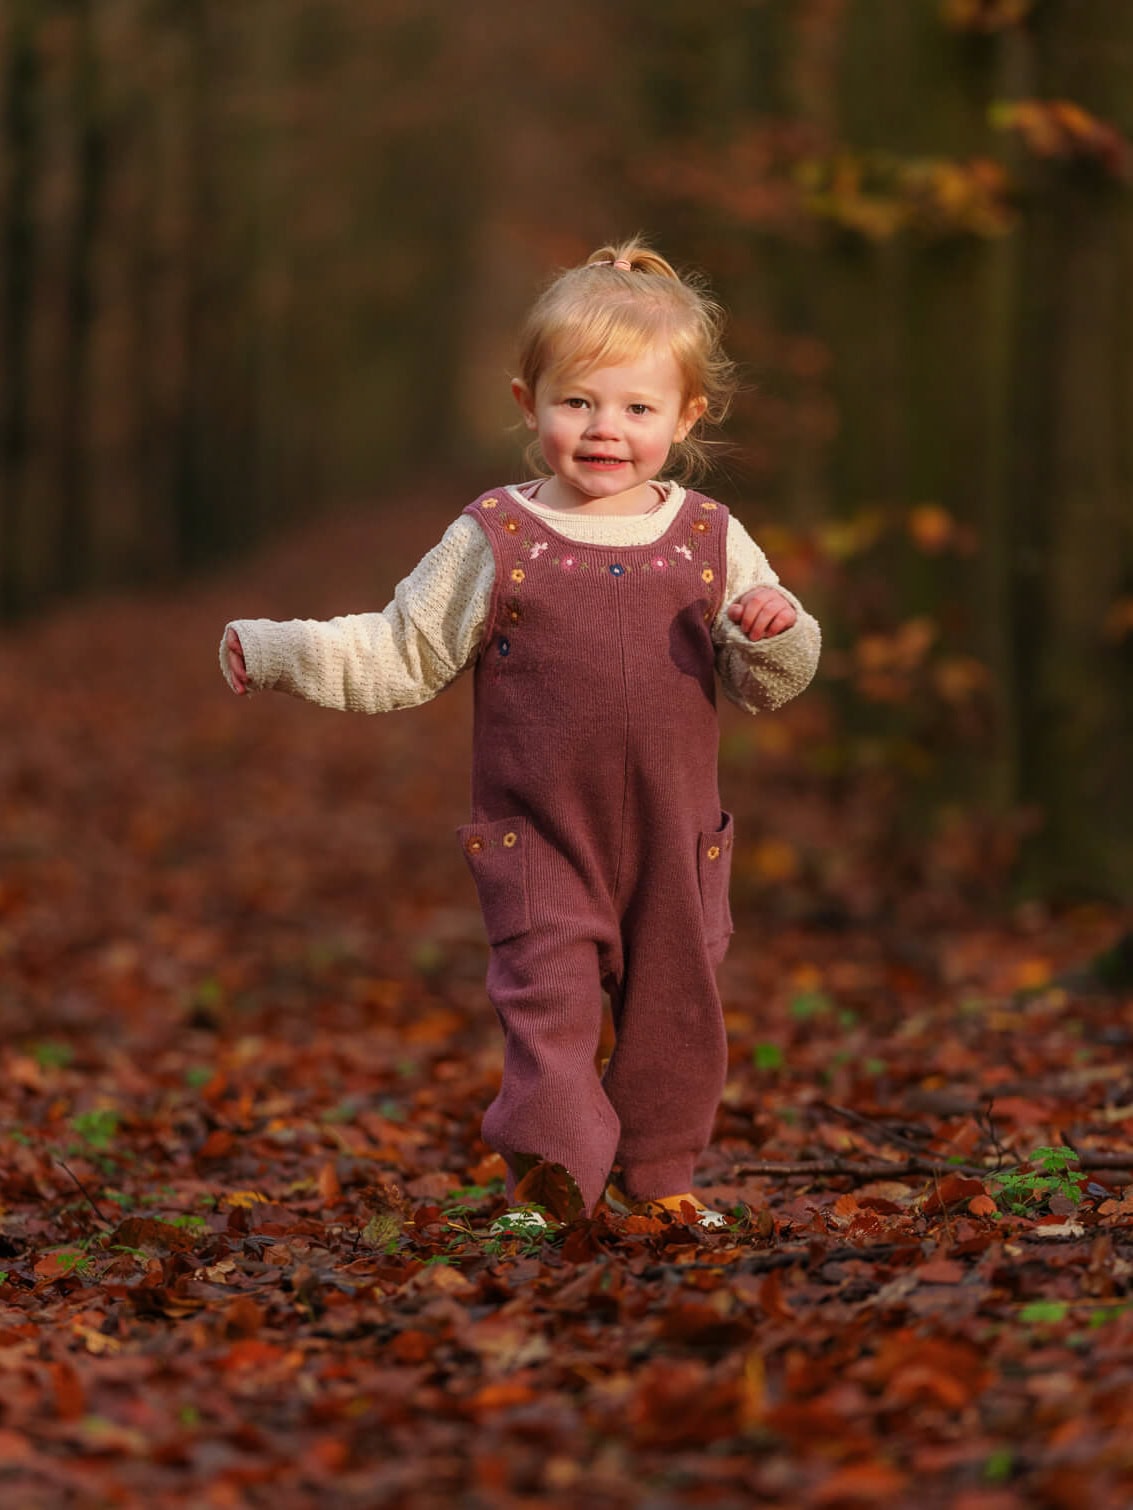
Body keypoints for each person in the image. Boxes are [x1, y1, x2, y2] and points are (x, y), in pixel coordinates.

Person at [220, 238, 821, 1230]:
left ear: (686, 416)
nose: (604, 429)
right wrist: (281, 648)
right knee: (547, 1015)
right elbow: (401, 650)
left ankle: (660, 1176)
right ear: (526, 402)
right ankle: (550, 1188)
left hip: (675, 839)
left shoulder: (709, 538)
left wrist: (777, 630)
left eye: (636, 408)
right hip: (538, 838)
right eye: (576, 402)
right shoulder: (496, 538)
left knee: (677, 1013)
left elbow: (766, 682)